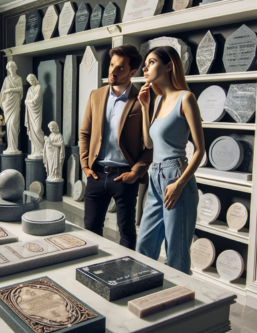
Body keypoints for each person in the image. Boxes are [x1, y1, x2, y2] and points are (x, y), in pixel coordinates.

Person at [136, 46, 205, 274]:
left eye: (152, 62)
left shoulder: (186, 98)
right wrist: (145, 108)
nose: (145, 67)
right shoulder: (157, 101)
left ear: (168, 65)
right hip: (155, 176)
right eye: (145, 63)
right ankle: (144, 295)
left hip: (176, 175)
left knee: (176, 252)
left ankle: (178, 303)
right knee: (144, 245)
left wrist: (179, 184)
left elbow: (199, 149)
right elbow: (148, 144)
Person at [79, 45, 153, 249]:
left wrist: (135, 173)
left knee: (127, 232)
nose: (112, 71)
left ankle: (125, 275)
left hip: (124, 177)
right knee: (90, 229)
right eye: (112, 65)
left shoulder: (142, 101)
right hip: (96, 174)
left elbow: (151, 145)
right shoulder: (96, 95)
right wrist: (85, 165)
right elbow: (84, 133)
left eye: (120, 68)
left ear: (132, 72)